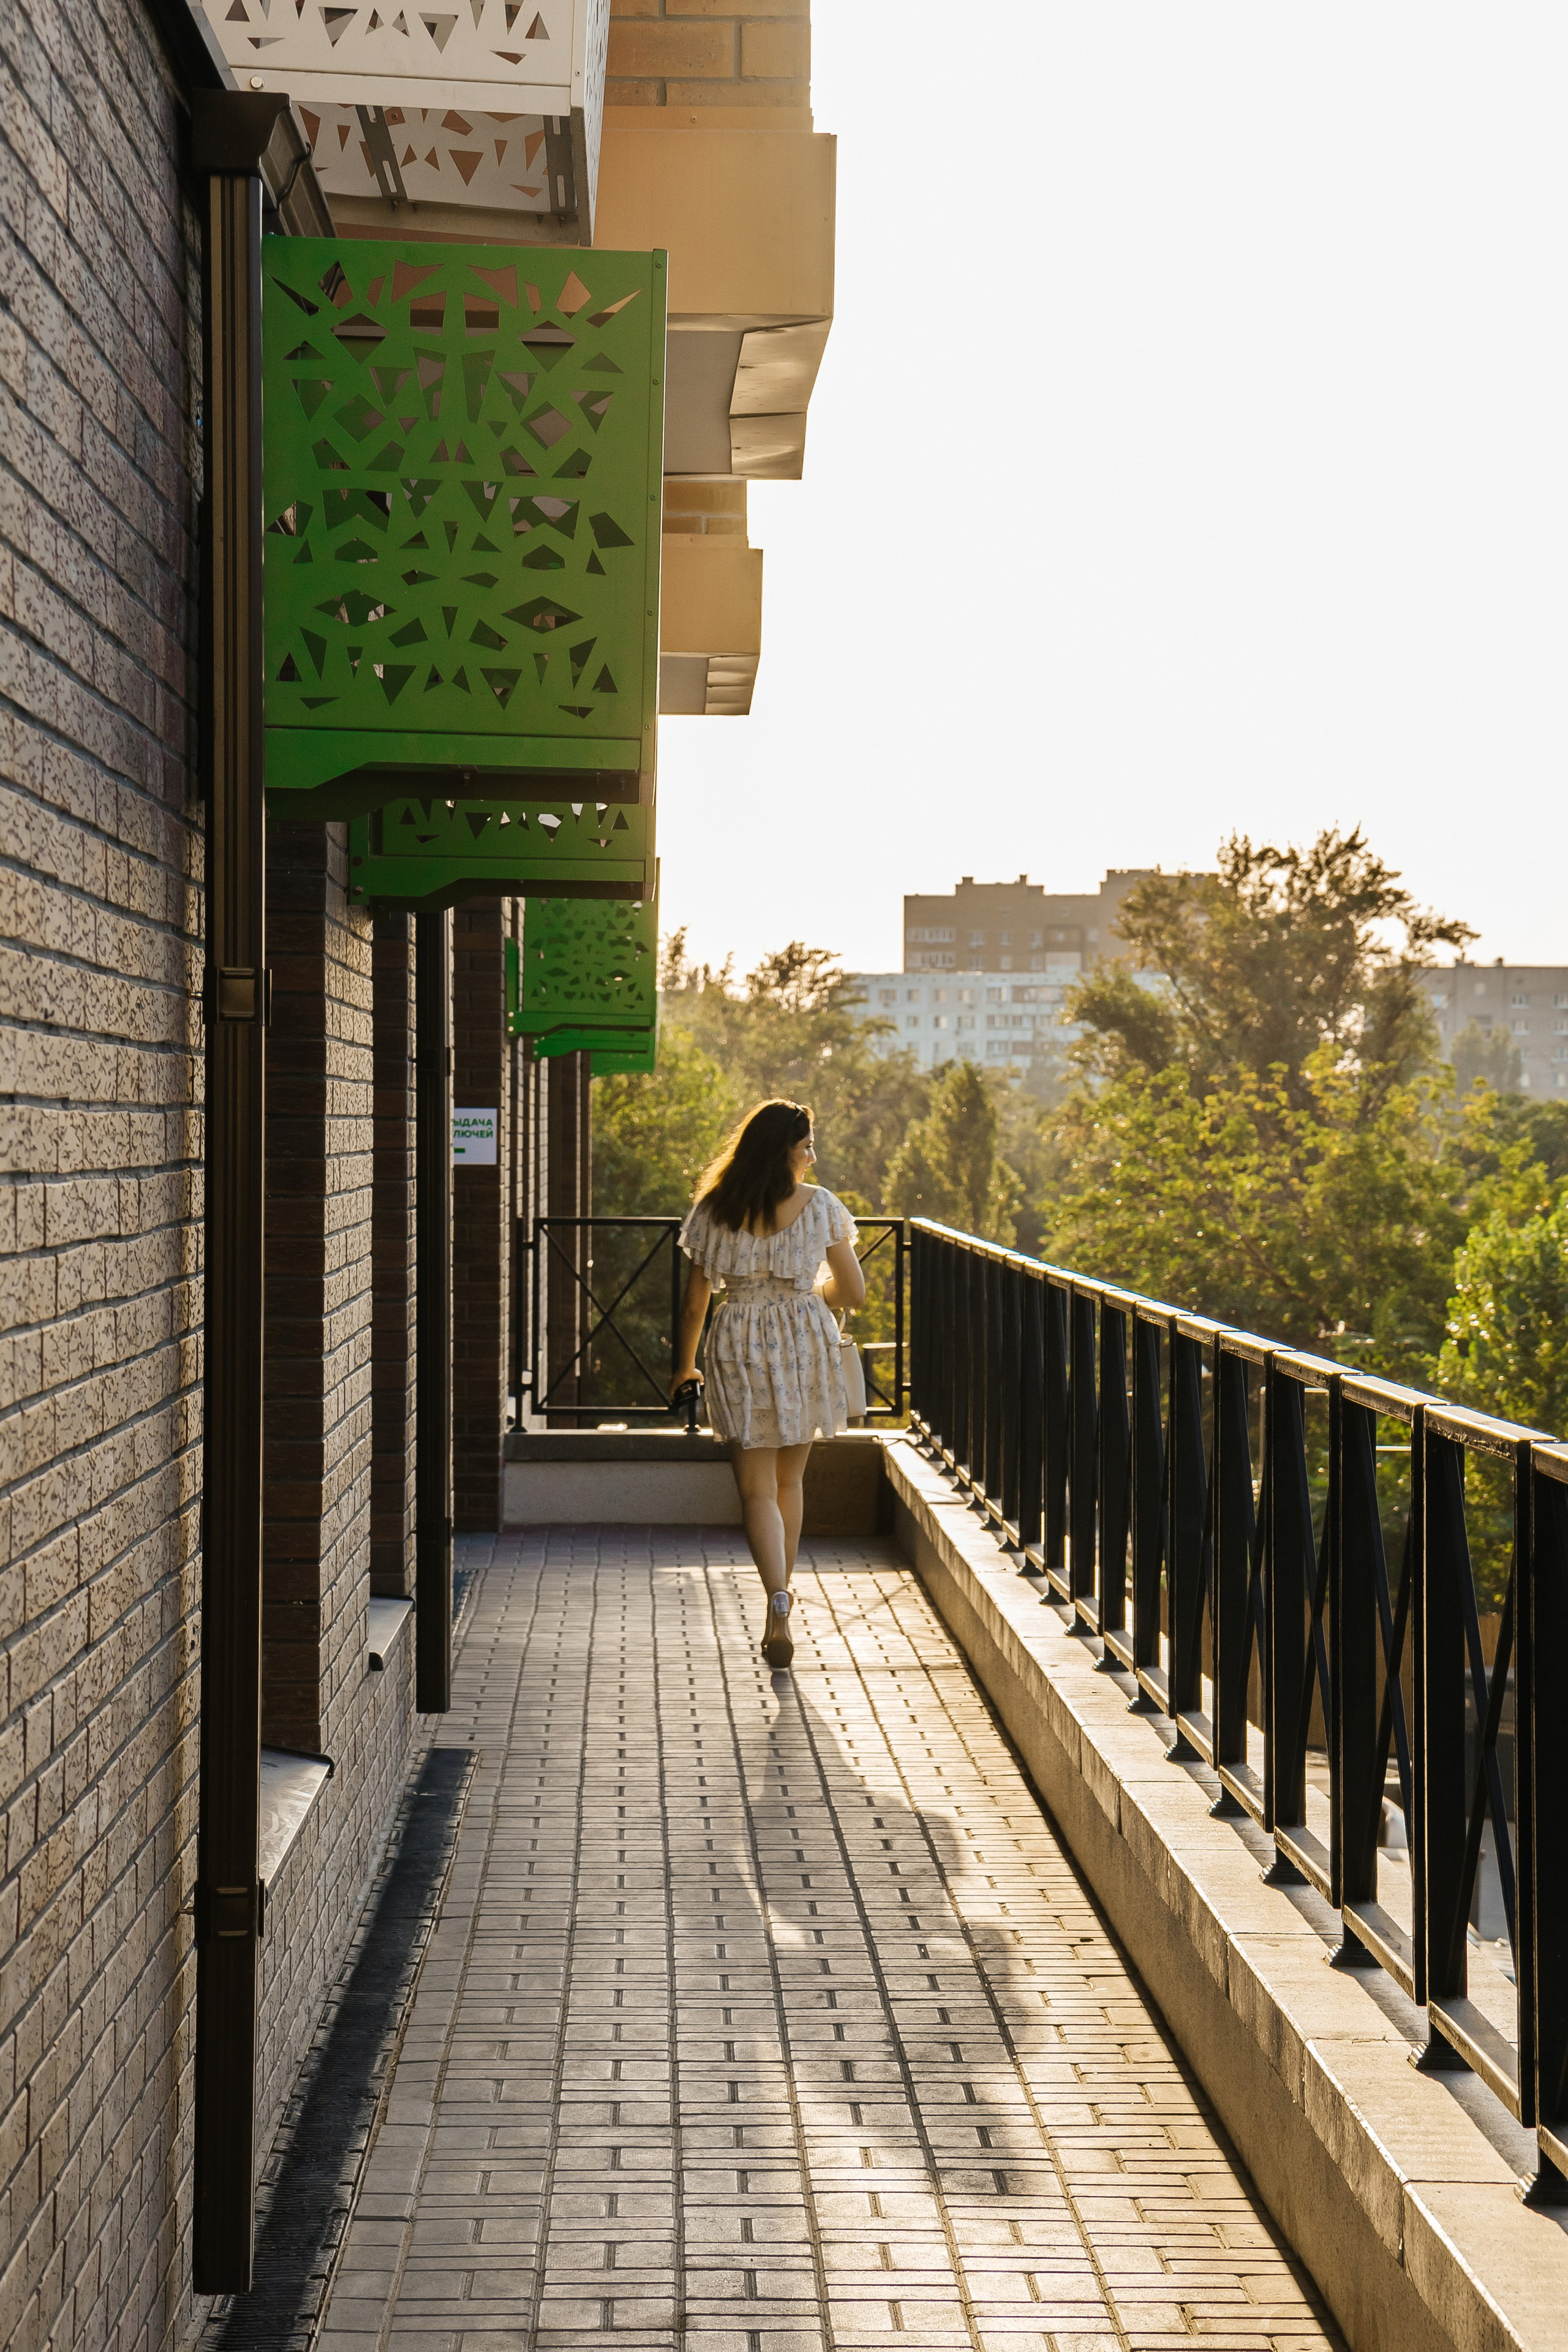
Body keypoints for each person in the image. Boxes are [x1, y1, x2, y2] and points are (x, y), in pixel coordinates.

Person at [670, 1099, 866, 1667]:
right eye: (807, 1146)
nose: (812, 1156)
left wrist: (684, 1367)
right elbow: (853, 1293)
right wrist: (809, 1296)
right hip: (804, 1339)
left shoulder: (714, 1209)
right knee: (789, 1481)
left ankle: (776, 1595)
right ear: (784, 1150)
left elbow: (694, 1305)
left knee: (756, 1490)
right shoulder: (821, 1206)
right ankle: (782, 1603)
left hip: (737, 1342)